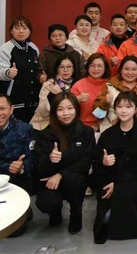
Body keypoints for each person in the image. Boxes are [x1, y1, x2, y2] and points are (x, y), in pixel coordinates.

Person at [90, 91, 137, 243]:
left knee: (123, 192)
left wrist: (118, 183)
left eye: (128, 107)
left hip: (136, 181)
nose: (123, 110)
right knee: (104, 221)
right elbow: (96, 165)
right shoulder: (108, 134)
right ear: (115, 109)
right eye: (120, 106)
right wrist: (103, 162)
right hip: (109, 181)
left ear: (136, 109)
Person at [34, 92, 96, 234]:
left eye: (70, 108)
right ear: (54, 112)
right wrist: (50, 159)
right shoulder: (45, 134)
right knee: (46, 202)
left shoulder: (86, 132)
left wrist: (60, 174)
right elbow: (38, 165)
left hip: (74, 178)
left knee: (75, 182)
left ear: (76, 109)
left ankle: (76, 215)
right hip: (50, 179)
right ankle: (55, 213)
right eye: (60, 109)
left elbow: (86, 161)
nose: (66, 113)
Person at [0, 16, 42, 123]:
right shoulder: (5, 49)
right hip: (14, 102)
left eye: (24, 28)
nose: (21, 31)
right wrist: (8, 73)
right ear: (11, 31)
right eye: (17, 28)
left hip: (33, 102)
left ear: (30, 31)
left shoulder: (33, 48)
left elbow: (37, 69)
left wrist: (40, 77)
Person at [93, 56, 137, 127]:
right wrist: (105, 102)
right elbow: (97, 114)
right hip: (110, 128)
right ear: (121, 70)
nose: (130, 72)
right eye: (126, 69)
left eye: (134, 69)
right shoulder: (110, 86)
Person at [31, 52, 80, 131]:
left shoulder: (78, 85)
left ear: (74, 68)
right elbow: (42, 111)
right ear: (57, 69)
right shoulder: (49, 85)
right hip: (45, 124)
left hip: (69, 126)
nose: (65, 70)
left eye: (69, 66)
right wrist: (56, 96)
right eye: (62, 67)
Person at [70, 53, 111, 133]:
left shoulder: (110, 85)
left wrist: (99, 124)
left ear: (105, 68)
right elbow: (69, 109)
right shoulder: (78, 85)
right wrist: (77, 99)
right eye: (92, 65)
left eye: (99, 66)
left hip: (104, 127)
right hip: (80, 128)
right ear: (88, 66)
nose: (96, 69)